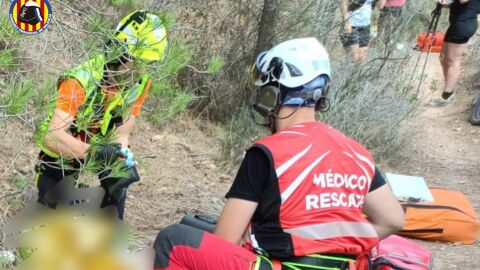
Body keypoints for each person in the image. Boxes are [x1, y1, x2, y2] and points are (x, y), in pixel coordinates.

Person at [153, 38, 404, 270]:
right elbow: (392, 219)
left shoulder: (268, 153)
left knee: (173, 239)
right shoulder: (356, 152)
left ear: (273, 93)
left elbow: (225, 242)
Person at [34, 10, 168, 219]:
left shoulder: (141, 83)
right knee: (51, 218)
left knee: (119, 183)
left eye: (149, 64)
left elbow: (122, 134)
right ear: (119, 51)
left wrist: (121, 156)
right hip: (60, 153)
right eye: (138, 62)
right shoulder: (80, 79)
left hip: (99, 148)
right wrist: (97, 152)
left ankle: (111, 236)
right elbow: (52, 137)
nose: (142, 72)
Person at [427, 0, 480, 107]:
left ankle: (447, 96)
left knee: (453, 60)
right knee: (443, 58)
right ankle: (449, 90)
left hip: (464, 24)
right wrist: (446, 4)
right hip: (458, 24)